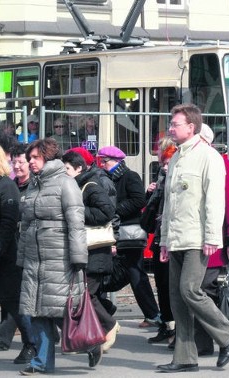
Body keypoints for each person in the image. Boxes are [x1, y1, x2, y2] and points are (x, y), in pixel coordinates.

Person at [157, 103, 229, 372]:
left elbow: (215, 200)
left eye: (175, 124)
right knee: (177, 298)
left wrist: (213, 236)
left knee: (190, 290)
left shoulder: (208, 156)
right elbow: (169, 204)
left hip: (197, 237)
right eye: (171, 123)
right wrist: (165, 240)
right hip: (177, 238)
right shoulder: (178, 156)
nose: (171, 128)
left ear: (191, 127)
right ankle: (184, 357)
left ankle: (228, 334)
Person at [17, 138, 92, 375]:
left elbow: (76, 223)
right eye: (30, 158)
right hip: (34, 257)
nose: (30, 162)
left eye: (35, 158)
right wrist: (22, 257)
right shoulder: (33, 185)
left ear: (47, 158)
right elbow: (26, 224)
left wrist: (79, 258)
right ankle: (42, 363)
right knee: (38, 312)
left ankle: (91, 343)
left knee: (62, 311)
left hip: (59, 257)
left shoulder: (65, 183)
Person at [97, 145, 162, 328]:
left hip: (128, 233)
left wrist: (113, 210)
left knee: (135, 272)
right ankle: (104, 311)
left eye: (105, 161)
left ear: (117, 161)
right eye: (101, 161)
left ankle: (152, 314)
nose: (102, 164)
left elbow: (138, 200)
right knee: (105, 271)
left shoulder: (130, 176)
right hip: (112, 231)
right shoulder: (104, 178)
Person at [193, 124, 229, 355]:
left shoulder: (220, 163)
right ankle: (201, 343)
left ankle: (224, 336)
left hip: (214, 241)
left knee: (202, 290)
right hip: (197, 240)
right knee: (197, 291)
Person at [61, 150, 120, 353]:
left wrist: (77, 211)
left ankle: (108, 325)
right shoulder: (75, 186)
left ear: (79, 168)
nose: (64, 173)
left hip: (95, 251)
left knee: (86, 294)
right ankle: (98, 329)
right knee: (86, 293)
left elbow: (107, 212)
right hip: (85, 251)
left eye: (67, 169)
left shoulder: (91, 186)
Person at [0, 144, 36, 364]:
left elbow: (7, 224)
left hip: (3, 257)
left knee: (16, 304)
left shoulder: (6, 187)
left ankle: (31, 344)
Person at [144, 138, 177, 346]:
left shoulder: (173, 176)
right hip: (159, 234)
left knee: (170, 284)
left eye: (166, 161)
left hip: (171, 236)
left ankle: (176, 329)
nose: (163, 166)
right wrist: (151, 192)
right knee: (162, 284)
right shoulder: (162, 175)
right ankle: (166, 325)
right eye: (161, 161)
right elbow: (155, 206)